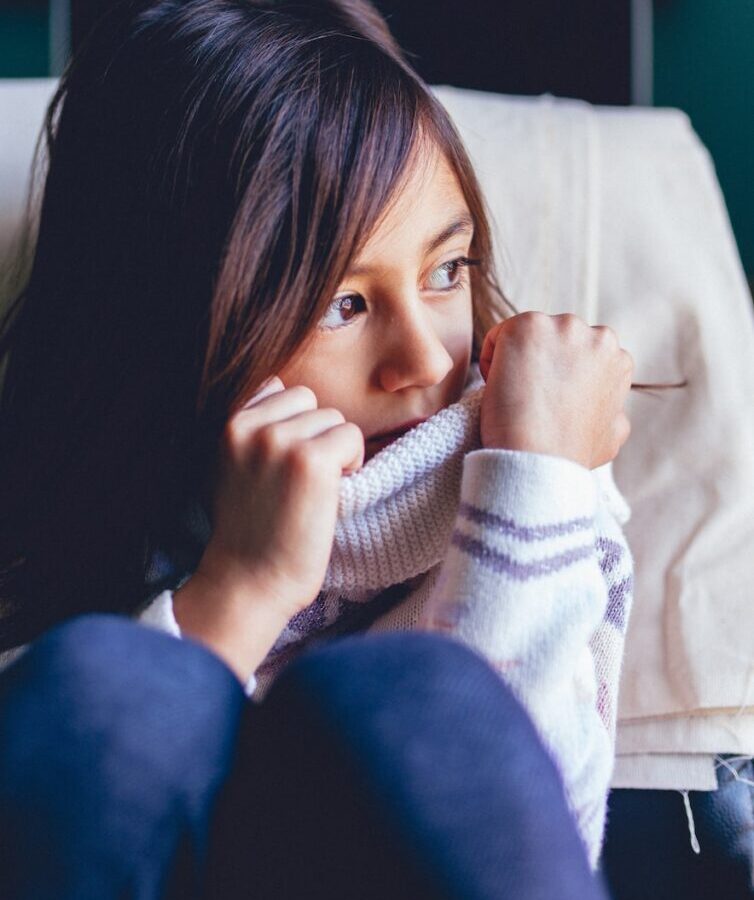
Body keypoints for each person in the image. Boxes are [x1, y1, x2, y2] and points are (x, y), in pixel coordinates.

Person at [0, 0, 634, 895]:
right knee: (100, 685)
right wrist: (242, 588)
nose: (423, 360)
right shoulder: (49, 550)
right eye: (343, 304)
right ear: (171, 325)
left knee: (415, 700)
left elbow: (550, 829)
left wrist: (541, 486)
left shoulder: (523, 485)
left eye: (446, 272)